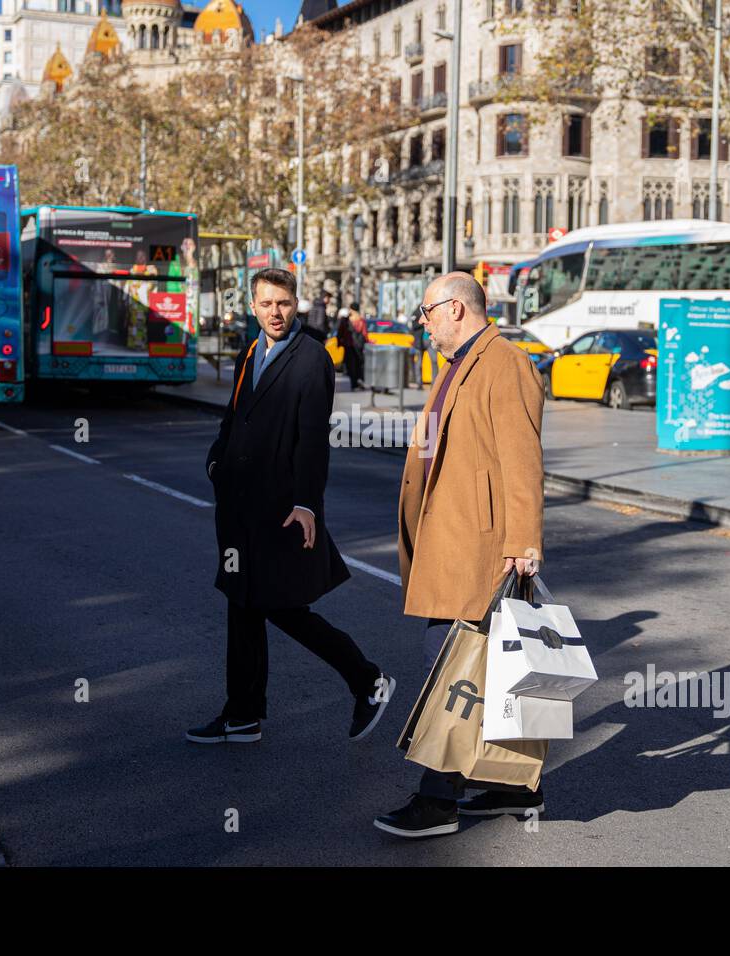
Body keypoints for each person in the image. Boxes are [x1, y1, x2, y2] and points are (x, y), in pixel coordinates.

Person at [189, 268, 394, 745]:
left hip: (280, 510)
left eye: (283, 303)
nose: (275, 313)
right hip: (238, 508)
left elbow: (312, 442)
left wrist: (306, 503)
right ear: (253, 306)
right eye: (266, 304)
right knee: (241, 606)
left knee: (281, 606)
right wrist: (216, 461)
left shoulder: (311, 360)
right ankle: (241, 713)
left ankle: (368, 679)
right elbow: (234, 419)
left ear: (295, 304)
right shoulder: (248, 354)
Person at [374, 271, 546, 839]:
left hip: (480, 546)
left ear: (455, 309)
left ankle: (437, 802)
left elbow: (522, 459)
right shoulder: (456, 366)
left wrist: (522, 543)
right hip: (449, 539)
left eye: (425, 313)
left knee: (446, 670)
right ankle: (511, 785)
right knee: (491, 667)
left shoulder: (504, 362)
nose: (420, 324)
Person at [338, 306, 364, 389]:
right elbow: (364, 333)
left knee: (350, 364)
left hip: (348, 344)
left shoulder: (346, 320)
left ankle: (353, 382)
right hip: (357, 345)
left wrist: (339, 341)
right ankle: (356, 381)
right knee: (357, 364)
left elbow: (340, 332)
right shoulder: (360, 320)